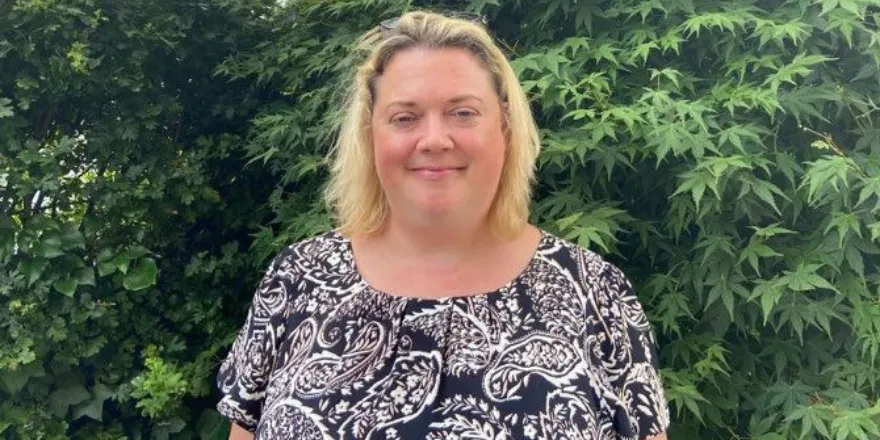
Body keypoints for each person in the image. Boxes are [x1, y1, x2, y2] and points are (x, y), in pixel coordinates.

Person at [216, 10, 670, 440]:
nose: (434, 140)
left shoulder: (596, 292)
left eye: (463, 112)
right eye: (405, 117)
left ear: (505, 129)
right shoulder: (298, 278)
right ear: (370, 135)